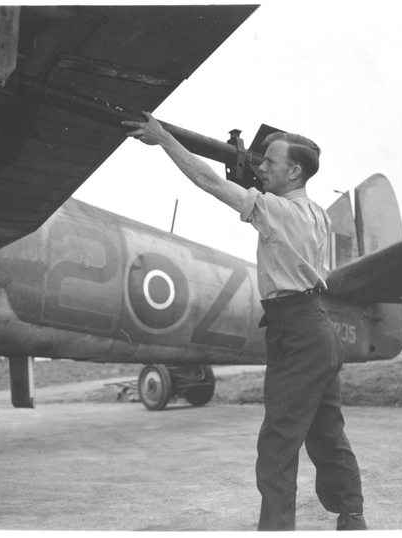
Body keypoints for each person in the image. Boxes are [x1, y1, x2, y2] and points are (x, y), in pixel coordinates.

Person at [122, 112, 366, 531]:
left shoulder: (277, 211)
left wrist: (164, 139)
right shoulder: (316, 213)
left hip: (296, 333)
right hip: (317, 329)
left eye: (271, 162)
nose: (262, 168)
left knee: (277, 446)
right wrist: (257, 172)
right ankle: (353, 517)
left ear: (294, 171)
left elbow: (210, 182)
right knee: (327, 434)